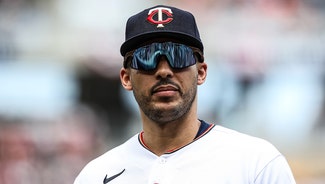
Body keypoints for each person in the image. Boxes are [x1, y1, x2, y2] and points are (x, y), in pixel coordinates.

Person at [74, 5, 296, 183]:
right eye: (146, 58)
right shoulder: (95, 175)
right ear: (126, 78)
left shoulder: (256, 163)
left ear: (201, 72)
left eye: (178, 56)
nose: (164, 71)